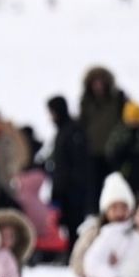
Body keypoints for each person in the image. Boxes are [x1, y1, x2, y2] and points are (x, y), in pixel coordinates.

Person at [45, 95, 94, 247]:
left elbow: (78, 164)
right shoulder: (63, 131)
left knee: (75, 225)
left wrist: (66, 186)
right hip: (65, 189)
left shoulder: (72, 131)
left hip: (74, 191)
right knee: (67, 225)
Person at [104, 101, 139, 195]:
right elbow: (111, 155)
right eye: (133, 119)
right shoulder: (119, 134)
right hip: (124, 179)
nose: (135, 122)